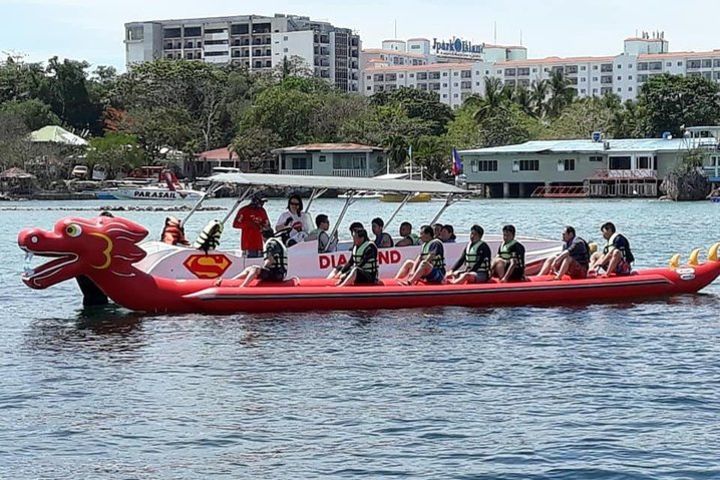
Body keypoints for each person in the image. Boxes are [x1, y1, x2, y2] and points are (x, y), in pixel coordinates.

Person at [216, 228, 287, 288]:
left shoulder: (270, 244)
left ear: (263, 236)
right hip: (279, 274)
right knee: (249, 268)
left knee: (254, 269)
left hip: (277, 275)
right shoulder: (276, 242)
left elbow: (270, 260)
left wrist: (260, 269)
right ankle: (229, 283)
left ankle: (243, 287)